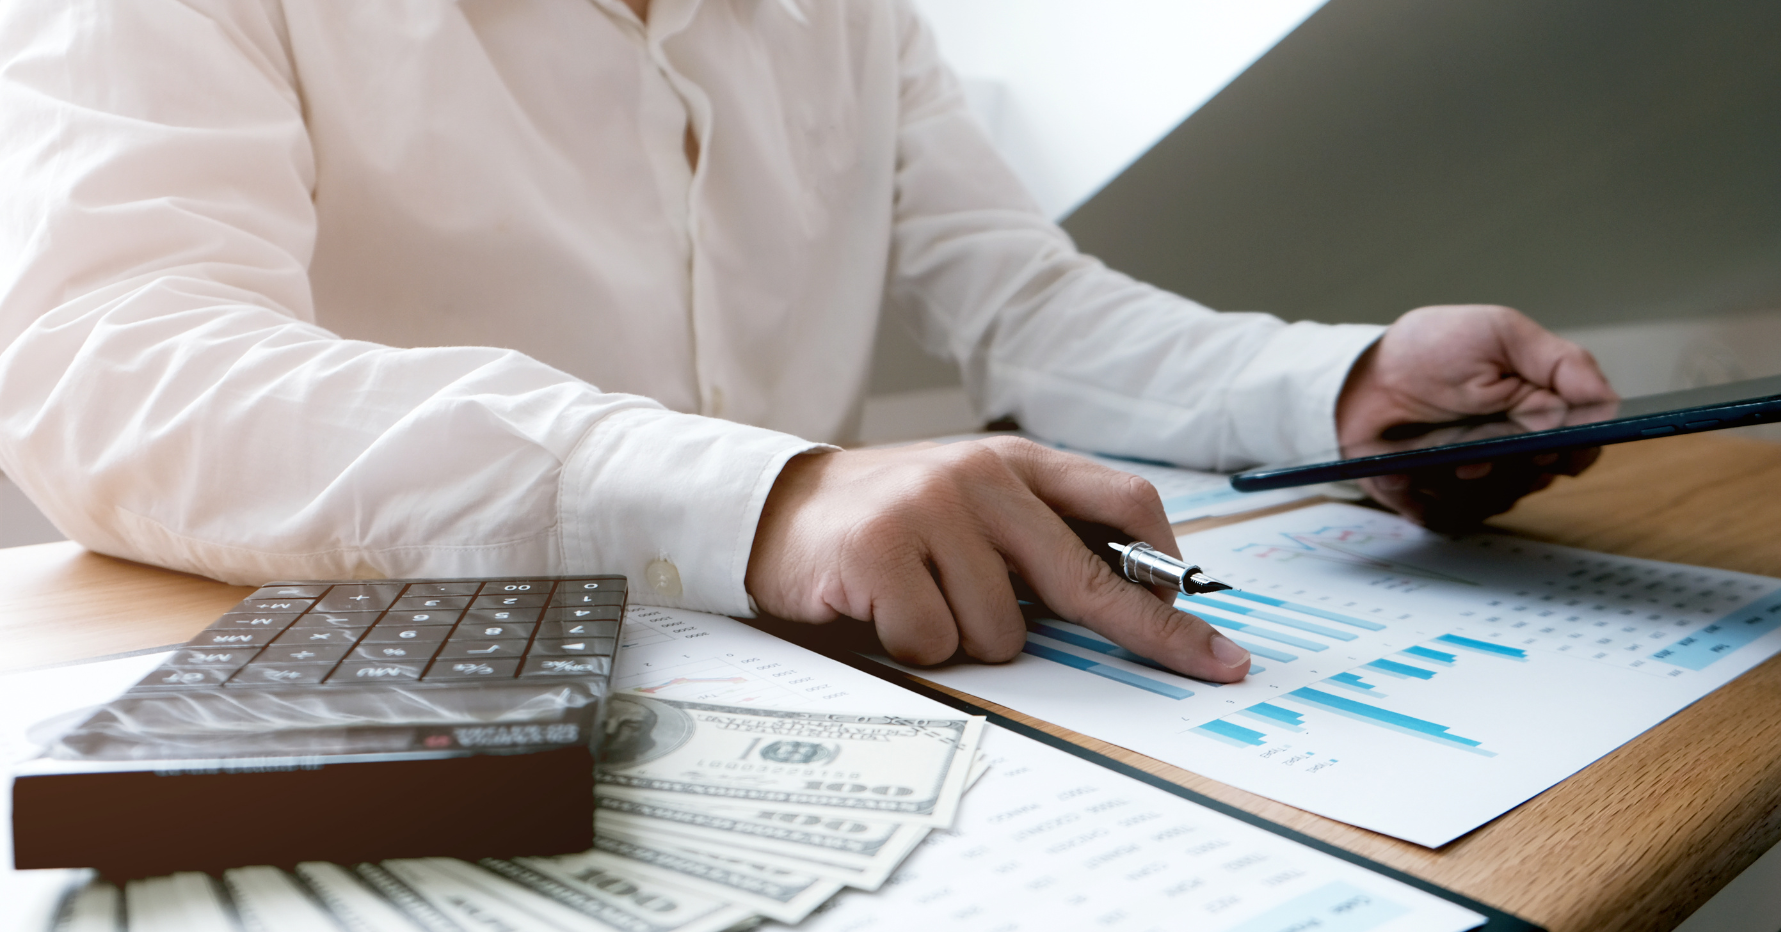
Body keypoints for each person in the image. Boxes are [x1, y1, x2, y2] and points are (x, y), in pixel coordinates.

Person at [0, 0, 1613, 685]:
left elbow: (1023, 301)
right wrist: (760, 496)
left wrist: (1339, 389)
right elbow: (106, 355)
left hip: (861, 687)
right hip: (380, 720)